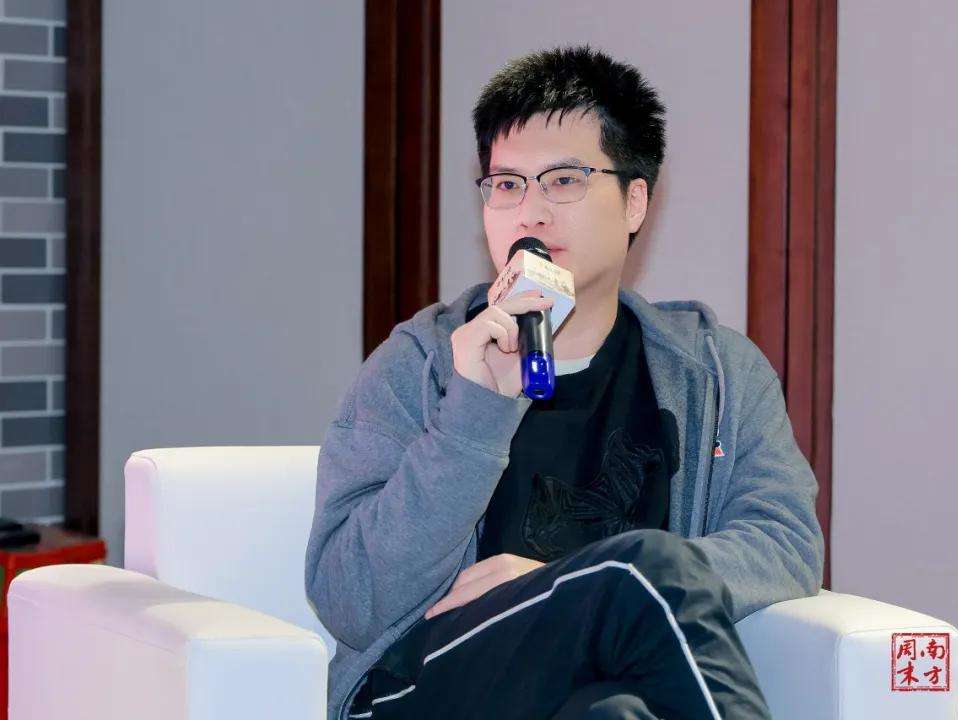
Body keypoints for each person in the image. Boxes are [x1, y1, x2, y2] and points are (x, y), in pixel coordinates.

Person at [305, 44, 824, 720]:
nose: (531, 213)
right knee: (642, 571)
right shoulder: (420, 364)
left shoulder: (717, 372)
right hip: (429, 688)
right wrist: (472, 415)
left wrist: (571, 582)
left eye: (563, 180)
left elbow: (786, 545)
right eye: (507, 185)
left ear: (634, 201)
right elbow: (348, 598)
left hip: (608, 692)